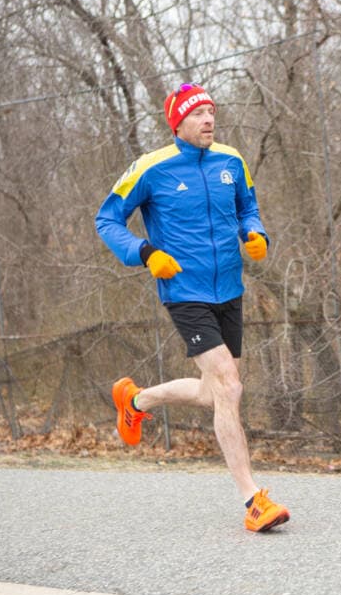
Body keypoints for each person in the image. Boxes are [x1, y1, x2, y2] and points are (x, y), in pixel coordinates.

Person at [95, 83, 289, 533]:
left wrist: (256, 234)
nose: (208, 119)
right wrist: (144, 253)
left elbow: (248, 207)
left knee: (213, 392)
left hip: (230, 288)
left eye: (211, 111)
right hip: (184, 289)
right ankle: (252, 499)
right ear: (178, 122)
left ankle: (135, 400)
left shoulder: (232, 160)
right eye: (198, 113)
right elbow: (106, 219)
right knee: (229, 385)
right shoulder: (151, 167)